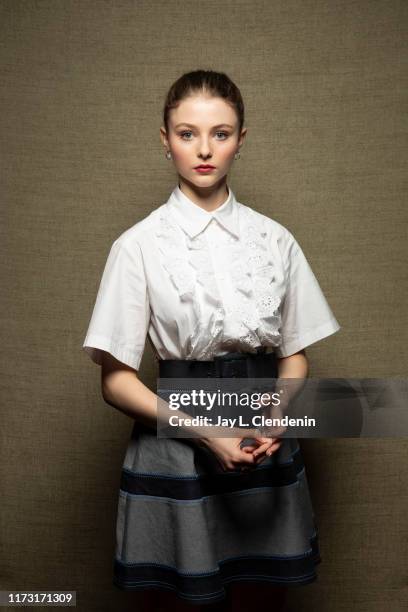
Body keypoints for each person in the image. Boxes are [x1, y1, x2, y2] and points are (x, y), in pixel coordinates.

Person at [82, 69, 341, 611]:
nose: (204, 149)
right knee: (188, 599)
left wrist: (280, 413)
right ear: (165, 140)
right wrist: (206, 433)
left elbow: (295, 355)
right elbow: (115, 381)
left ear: (240, 141)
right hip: (179, 444)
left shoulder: (276, 239)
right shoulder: (138, 246)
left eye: (220, 134)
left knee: (260, 599)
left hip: (263, 438)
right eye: (186, 133)